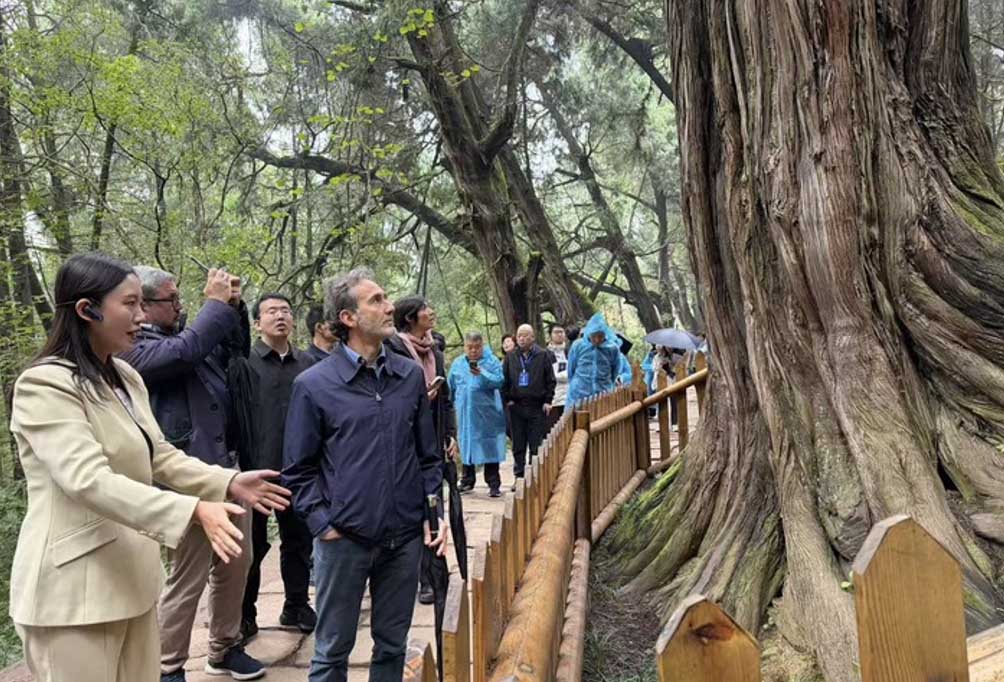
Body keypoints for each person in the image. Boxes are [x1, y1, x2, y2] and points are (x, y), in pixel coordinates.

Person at [9, 253, 290, 682]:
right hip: (72, 595)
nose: (141, 316)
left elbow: (160, 454)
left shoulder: (124, 377)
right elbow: (87, 479)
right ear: (87, 310)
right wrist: (193, 510)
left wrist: (228, 481)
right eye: (130, 304)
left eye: (144, 303)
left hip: (133, 581)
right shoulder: (46, 384)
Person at [282, 267, 447, 682]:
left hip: (404, 537)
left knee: (392, 646)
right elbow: (297, 470)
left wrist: (433, 512)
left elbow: (428, 456)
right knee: (332, 651)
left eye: (386, 297)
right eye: (375, 300)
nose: (389, 306)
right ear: (348, 318)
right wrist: (323, 523)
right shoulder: (313, 384)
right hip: (344, 541)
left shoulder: (408, 375)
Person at [121, 265, 265, 682]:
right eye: (172, 299)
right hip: (183, 480)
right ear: (143, 307)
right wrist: (214, 305)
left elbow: (232, 349)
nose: (181, 305)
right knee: (188, 574)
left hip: (227, 471)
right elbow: (185, 352)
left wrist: (234, 307)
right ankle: (167, 665)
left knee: (237, 563)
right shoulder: (134, 352)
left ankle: (224, 647)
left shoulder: (185, 337)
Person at [239, 294, 318, 642]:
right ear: (257, 323)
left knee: (299, 540)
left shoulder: (309, 364)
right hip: (255, 470)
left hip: (299, 469)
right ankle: (245, 614)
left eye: (286, 310)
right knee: (251, 546)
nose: (280, 316)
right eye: (271, 312)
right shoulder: (244, 363)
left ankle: (296, 604)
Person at [384, 295, 457, 606]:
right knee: (412, 507)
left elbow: (446, 397)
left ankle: (434, 574)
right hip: (405, 441)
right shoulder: (393, 349)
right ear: (411, 317)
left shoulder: (434, 350)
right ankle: (415, 575)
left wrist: (450, 433)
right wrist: (418, 397)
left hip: (434, 437)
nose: (432, 312)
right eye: (426, 309)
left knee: (434, 503)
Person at [448, 332, 506, 497]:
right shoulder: (458, 363)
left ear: (482, 346)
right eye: (469, 347)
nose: (473, 351)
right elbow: (450, 386)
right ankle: (467, 480)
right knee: (466, 445)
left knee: (489, 445)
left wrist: (482, 373)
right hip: (464, 413)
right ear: (465, 347)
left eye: (477, 347)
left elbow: (500, 381)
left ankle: (493, 483)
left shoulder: (491, 361)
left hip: (487, 413)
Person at [501, 324, 555, 489]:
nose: (522, 338)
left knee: (535, 443)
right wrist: (507, 399)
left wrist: (548, 400)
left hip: (536, 406)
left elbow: (550, 380)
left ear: (533, 337)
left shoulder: (542, 355)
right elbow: (504, 380)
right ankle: (518, 476)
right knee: (518, 443)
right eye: (519, 336)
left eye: (525, 335)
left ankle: (534, 477)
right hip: (516, 406)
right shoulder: (511, 357)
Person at [566, 312, 621, 406]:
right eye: (594, 336)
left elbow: (615, 370)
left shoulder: (612, 348)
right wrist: (575, 384)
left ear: (605, 334)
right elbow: (571, 369)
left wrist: (607, 383)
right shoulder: (578, 346)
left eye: (600, 336)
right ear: (588, 333)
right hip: (579, 393)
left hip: (603, 392)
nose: (597, 339)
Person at [547, 324, 569, 430]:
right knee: (555, 430)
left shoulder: (570, 351)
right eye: (556, 332)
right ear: (550, 335)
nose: (559, 334)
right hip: (554, 398)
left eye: (561, 332)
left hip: (569, 396)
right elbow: (549, 374)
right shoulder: (546, 354)